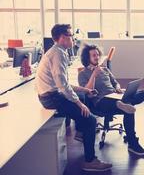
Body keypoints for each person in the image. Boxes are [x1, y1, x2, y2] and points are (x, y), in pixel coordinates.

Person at [36, 24, 112, 172]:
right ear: (63, 38)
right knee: (90, 119)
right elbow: (63, 86)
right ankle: (90, 160)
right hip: (51, 98)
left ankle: (82, 133)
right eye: (71, 36)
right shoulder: (59, 54)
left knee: (85, 96)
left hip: (51, 94)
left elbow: (62, 84)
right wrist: (79, 103)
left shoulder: (56, 51)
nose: (73, 39)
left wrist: (84, 89)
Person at [78, 45, 144, 156]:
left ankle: (122, 103)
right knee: (128, 107)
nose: (97, 57)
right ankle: (132, 143)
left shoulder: (105, 69)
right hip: (100, 102)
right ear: (87, 58)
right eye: (93, 55)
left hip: (115, 96)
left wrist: (117, 88)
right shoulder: (82, 74)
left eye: (97, 54)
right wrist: (94, 75)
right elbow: (87, 91)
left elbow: (115, 82)